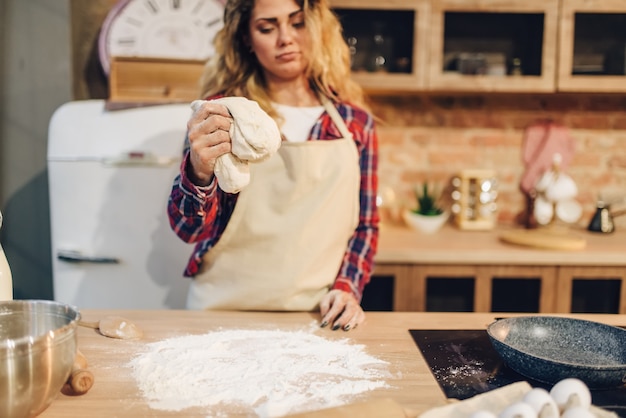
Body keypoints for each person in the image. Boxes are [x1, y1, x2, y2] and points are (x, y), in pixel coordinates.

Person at [167, 0, 379, 331]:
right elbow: (188, 230)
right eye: (267, 28)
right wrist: (199, 170)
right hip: (221, 312)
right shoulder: (222, 114)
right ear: (247, 40)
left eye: (297, 23)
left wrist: (346, 288)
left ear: (317, 28)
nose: (285, 39)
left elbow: (365, 226)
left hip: (313, 316)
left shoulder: (354, 123)